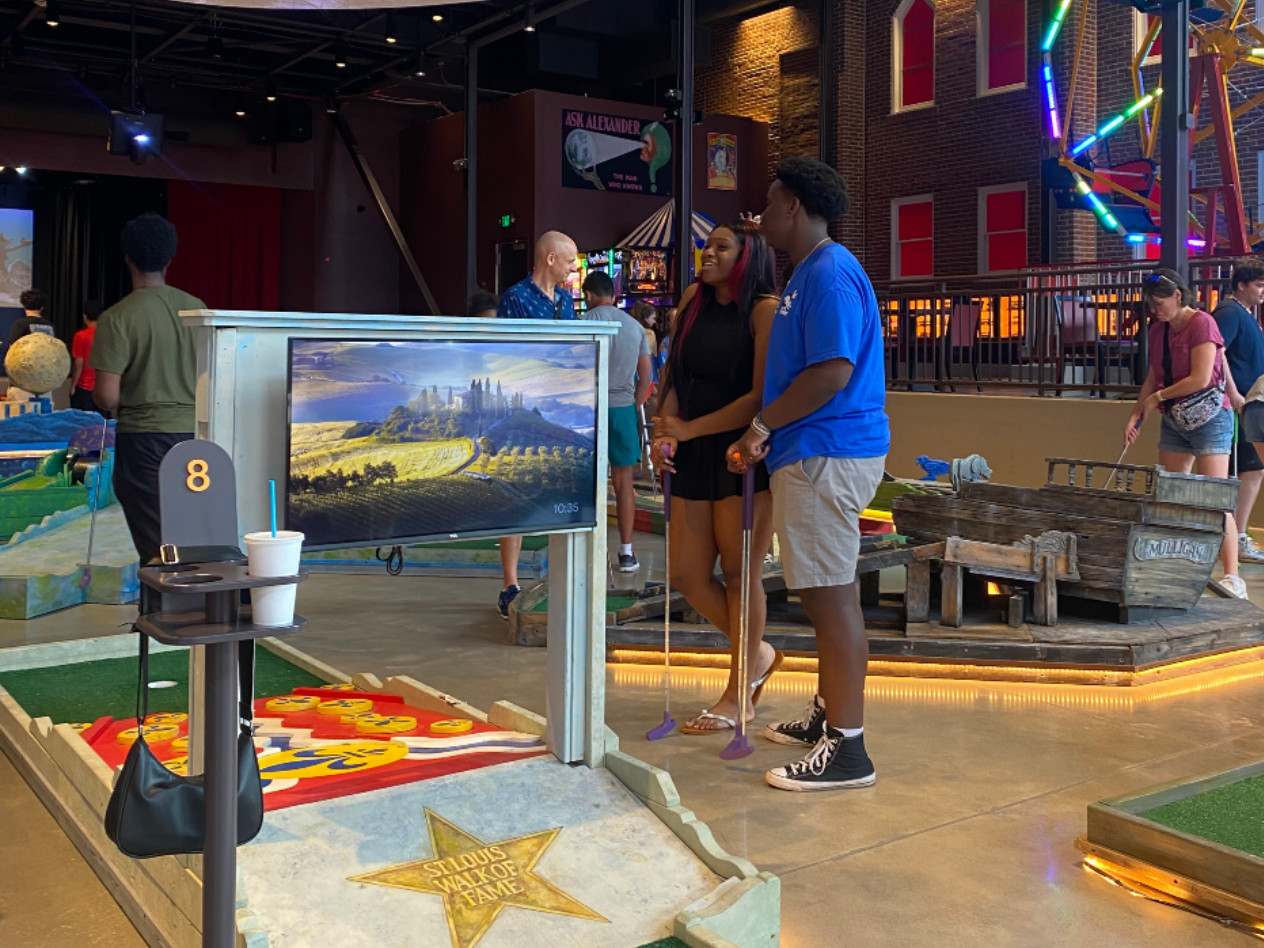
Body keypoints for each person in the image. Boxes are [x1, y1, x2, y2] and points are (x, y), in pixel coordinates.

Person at [729, 157, 890, 791]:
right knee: (825, 594)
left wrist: (762, 426)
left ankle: (848, 750)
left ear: (794, 205)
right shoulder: (812, 272)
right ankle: (829, 716)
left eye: (769, 204)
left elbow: (831, 372)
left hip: (827, 449)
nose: (761, 215)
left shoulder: (827, 274)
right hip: (815, 450)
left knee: (832, 598)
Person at [650, 219, 782, 735]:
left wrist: (688, 429)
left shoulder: (764, 311)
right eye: (708, 245)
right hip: (690, 451)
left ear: (748, 257)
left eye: (721, 246)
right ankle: (761, 653)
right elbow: (674, 374)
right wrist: (666, 432)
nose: (708, 253)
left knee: (739, 576)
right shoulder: (691, 301)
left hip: (740, 453)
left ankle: (738, 694)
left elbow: (759, 397)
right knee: (685, 573)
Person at [1124, 267, 1247, 598]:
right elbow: (1153, 375)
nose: (1155, 309)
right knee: (1171, 496)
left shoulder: (1202, 323)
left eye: (1159, 302)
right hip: (1175, 419)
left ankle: (1232, 575)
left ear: (1178, 295)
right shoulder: (1158, 330)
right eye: (1151, 304)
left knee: (1214, 500)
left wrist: (1157, 398)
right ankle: (1173, 569)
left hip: (1210, 417)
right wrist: (1138, 412)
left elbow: (1202, 377)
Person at [90, 213, 204, 565]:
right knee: (195, 538)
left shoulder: (117, 318)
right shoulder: (197, 308)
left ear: (127, 257)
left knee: (157, 549)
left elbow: (107, 396)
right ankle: (201, 617)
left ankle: (160, 617)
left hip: (144, 442)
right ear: (170, 258)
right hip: (197, 438)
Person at [494, 231, 580, 618]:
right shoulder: (516, 297)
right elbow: (512, 349)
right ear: (549, 259)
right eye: (568, 260)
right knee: (517, 494)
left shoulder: (564, 299)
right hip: (528, 399)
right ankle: (509, 583)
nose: (572, 268)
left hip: (560, 399)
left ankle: (563, 576)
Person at [584, 270, 652, 571]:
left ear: (588, 295)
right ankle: (626, 552)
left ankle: (587, 549)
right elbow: (647, 376)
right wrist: (634, 403)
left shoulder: (583, 323)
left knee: (587, 481)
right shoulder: (635, 328)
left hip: (589, 409)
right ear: (613, 294)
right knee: (624, 484)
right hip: (623, 408)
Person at [1213, 260, 1264, 562]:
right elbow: (1216, 351)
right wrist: (1233, 393)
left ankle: (1236, 535)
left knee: (1252, 468)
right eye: (1258, 284)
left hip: (1252, 401)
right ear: (1242, 285)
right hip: (1242, 403)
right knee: (1250, 468)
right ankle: (1237, 535)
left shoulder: (1245, 315)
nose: (1262, 291)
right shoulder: (1229, 313)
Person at [70, 300, 104, 413]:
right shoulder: (108, 335)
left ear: (85, 316)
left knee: (82, 425)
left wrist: (73, 385)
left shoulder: (80, 336)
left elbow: (79, 363)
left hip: (84, 388)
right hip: (102, 387)